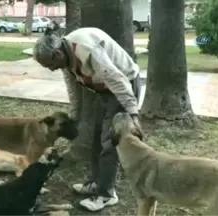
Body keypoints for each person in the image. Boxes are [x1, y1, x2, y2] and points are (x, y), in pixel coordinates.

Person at [32, 27, 142, 212]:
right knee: (97, 137)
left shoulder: (85, 49)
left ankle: (107, 194)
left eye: (49, 65)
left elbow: (116, 78)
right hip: (105, 91)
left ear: (57, 54)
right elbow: (73, 90)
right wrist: (74, 116)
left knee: (109, 142)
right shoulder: (64, 57)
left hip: (123, 86)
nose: (51, 69)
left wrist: (133, 112)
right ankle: (97, 183)